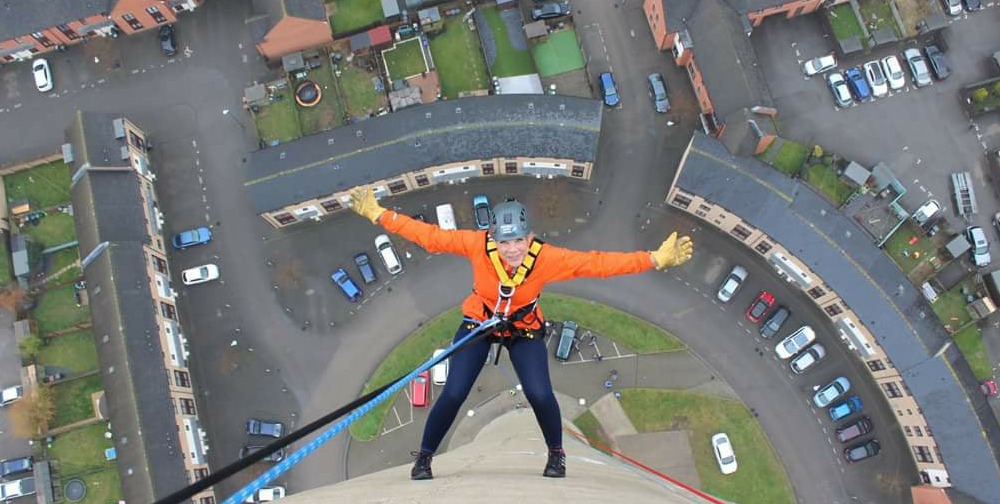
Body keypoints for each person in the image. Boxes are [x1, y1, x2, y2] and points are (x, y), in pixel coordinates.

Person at [349, 188, 694, 480]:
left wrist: (652, 259)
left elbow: (597, 263)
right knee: (453, 392)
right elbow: (430, 236)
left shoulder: (546, 259)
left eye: (518, 241)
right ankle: (424, 457)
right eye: (504, 242)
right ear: (492, 239)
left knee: (540, 393)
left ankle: (556, 453)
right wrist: (379, 214)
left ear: (529, 238)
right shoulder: (477, 245)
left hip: (522, 329)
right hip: (480, 324)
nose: (512, 249)